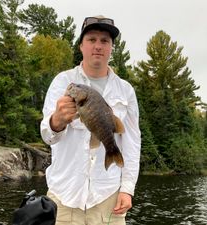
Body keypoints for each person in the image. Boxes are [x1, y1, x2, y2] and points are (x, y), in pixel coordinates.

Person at [40, 15, 141, 225]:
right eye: (92, 39)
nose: (98, 46)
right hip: (64, 197)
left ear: (112, 47)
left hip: (108, 197)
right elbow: (47, 136)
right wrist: (56, 121)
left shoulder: (126, 91)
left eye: (105, 41)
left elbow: (132, 143)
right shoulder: (63, 82)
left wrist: (127, 189)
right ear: (81, 46)